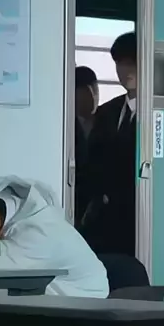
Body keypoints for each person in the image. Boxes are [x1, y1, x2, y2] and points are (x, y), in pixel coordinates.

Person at [81, 32, 137, 256]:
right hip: (106, 222)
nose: (126, 70)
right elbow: (93, 162)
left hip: (140, 221)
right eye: (120, 63)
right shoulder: (107, 111)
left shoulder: (159, 112)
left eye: (132, 62)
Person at [75, 66, 99, 226]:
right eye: (86, 91)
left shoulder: (107, 118)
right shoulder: (66, 125)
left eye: (95, 90)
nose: (93, 97)